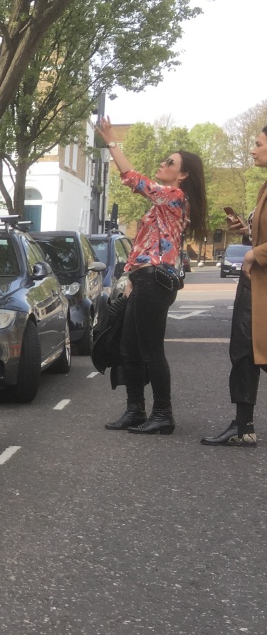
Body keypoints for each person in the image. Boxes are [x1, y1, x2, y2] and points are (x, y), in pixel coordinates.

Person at [95, 118, 208, 435]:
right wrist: (131, 277)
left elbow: (133, 179)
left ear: (182, 175)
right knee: (130, 349)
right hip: (144, 280)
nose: (163, 163)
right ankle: (135, 410)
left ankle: (163, 414)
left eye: (170, 162)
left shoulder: (174, 196)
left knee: (151, 350)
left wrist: (112, 142)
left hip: (156, 282)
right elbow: (146, 244)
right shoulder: (167, 202)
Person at [201, 124, 267, 447]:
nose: (252, 150)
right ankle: (243, 427)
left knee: (258, 353)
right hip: (253, 281)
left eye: (257, 144)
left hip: (261, 283)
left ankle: (243, 427)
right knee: (243, 352)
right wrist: (246, 229)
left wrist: (254, 253)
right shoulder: (264, 187)